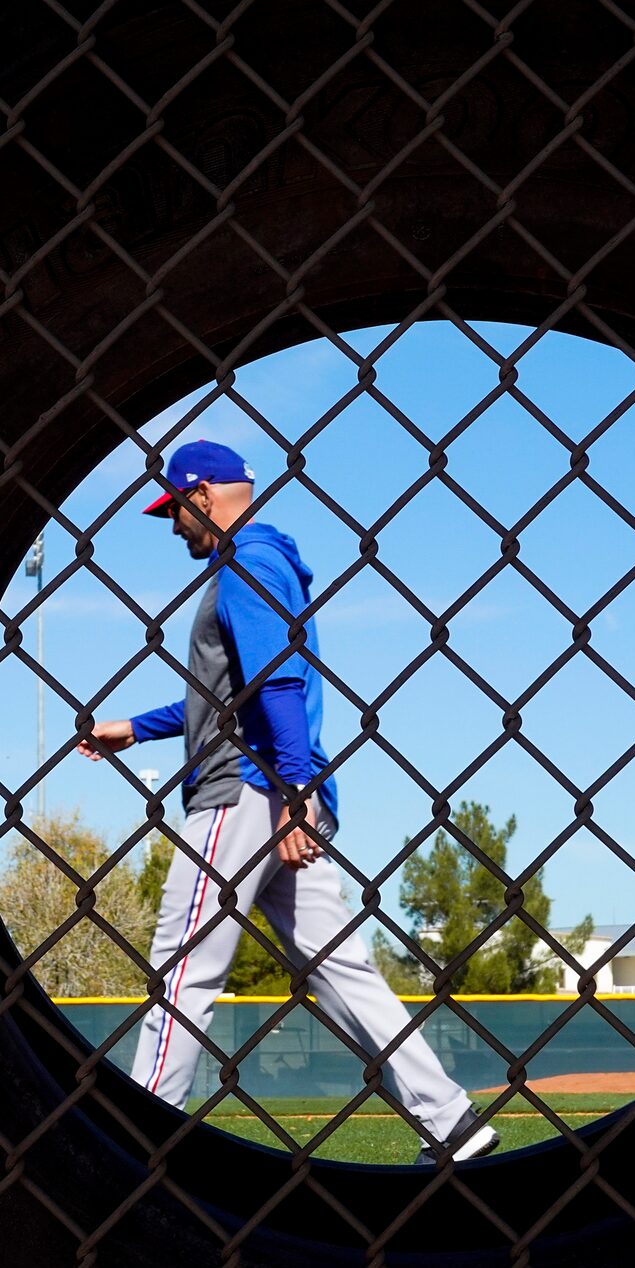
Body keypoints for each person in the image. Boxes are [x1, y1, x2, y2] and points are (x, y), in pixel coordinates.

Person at [77, 439, 498, 1166]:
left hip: (246, 789)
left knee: (181, 965)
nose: (172, 525)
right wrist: (136, 729)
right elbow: (227, 695)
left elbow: (273, 684)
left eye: (173, 509)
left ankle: (135, 1140)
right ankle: (451, 1122)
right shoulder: (265, 562)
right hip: (278, 785)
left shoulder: (240, 564)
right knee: (339, 970)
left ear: (201, 492)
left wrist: (291, 793)